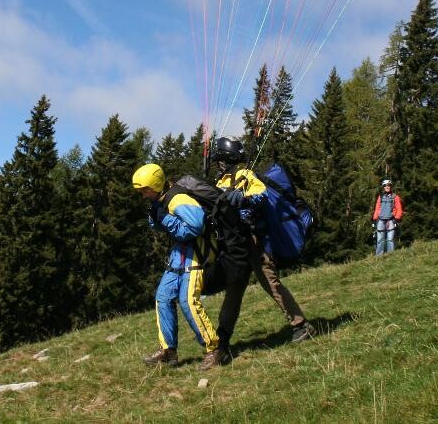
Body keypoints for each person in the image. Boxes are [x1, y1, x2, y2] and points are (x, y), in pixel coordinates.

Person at [212, 138, 317, 344]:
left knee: (271, 283)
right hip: (234, 246)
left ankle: (302, 325)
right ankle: (221, 341)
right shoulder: (220, 182)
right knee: (233, 291)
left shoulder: (245, 175)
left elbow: (261, 195)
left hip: (254, 243)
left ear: (224, 159)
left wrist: (244, 198)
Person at [131, 163, 229, 371]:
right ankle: (168, 351)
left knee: (188, 302)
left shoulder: (178, 199)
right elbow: (162, 226)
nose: (143, 195)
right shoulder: (161, 199)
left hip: (195, 254)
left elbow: (194, 227)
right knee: (163, 297)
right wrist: (156, 217)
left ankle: (214, 348)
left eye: (144, 190)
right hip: (179, 254)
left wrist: (165, 218)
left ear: (155, 185)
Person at [372, 179, 403, 255]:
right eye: (385, 186)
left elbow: (399, 209)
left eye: (388, 185)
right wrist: (374, 219)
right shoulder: (380, 197)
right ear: (383, 187)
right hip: (380, 220)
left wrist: (397, 218)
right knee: (380, 239)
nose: (387, 187)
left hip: (391, 220)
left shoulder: (395, 197)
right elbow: (377, 208)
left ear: (391, 186)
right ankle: (379, 256)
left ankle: (391, 255)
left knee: (390, 239)